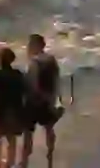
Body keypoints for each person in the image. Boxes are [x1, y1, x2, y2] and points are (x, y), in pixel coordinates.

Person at [21, 34, 63, 168]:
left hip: (33, 102)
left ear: (36, 46)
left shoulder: (34, 62)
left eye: (30, 44)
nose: (28, 47)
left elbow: (31, 84)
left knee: (28, 133)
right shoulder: (52, 60)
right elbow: (56, 81)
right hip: (48, 101)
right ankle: (50, 156)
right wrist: (54, 99)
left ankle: (25, 161)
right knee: (49, 129)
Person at [0, 46, 28, 168]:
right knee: (11, 139)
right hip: (13, 112)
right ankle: (10, 163)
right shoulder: (18, 75)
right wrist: (21, 113)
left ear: (0, 60)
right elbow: (21, 95)